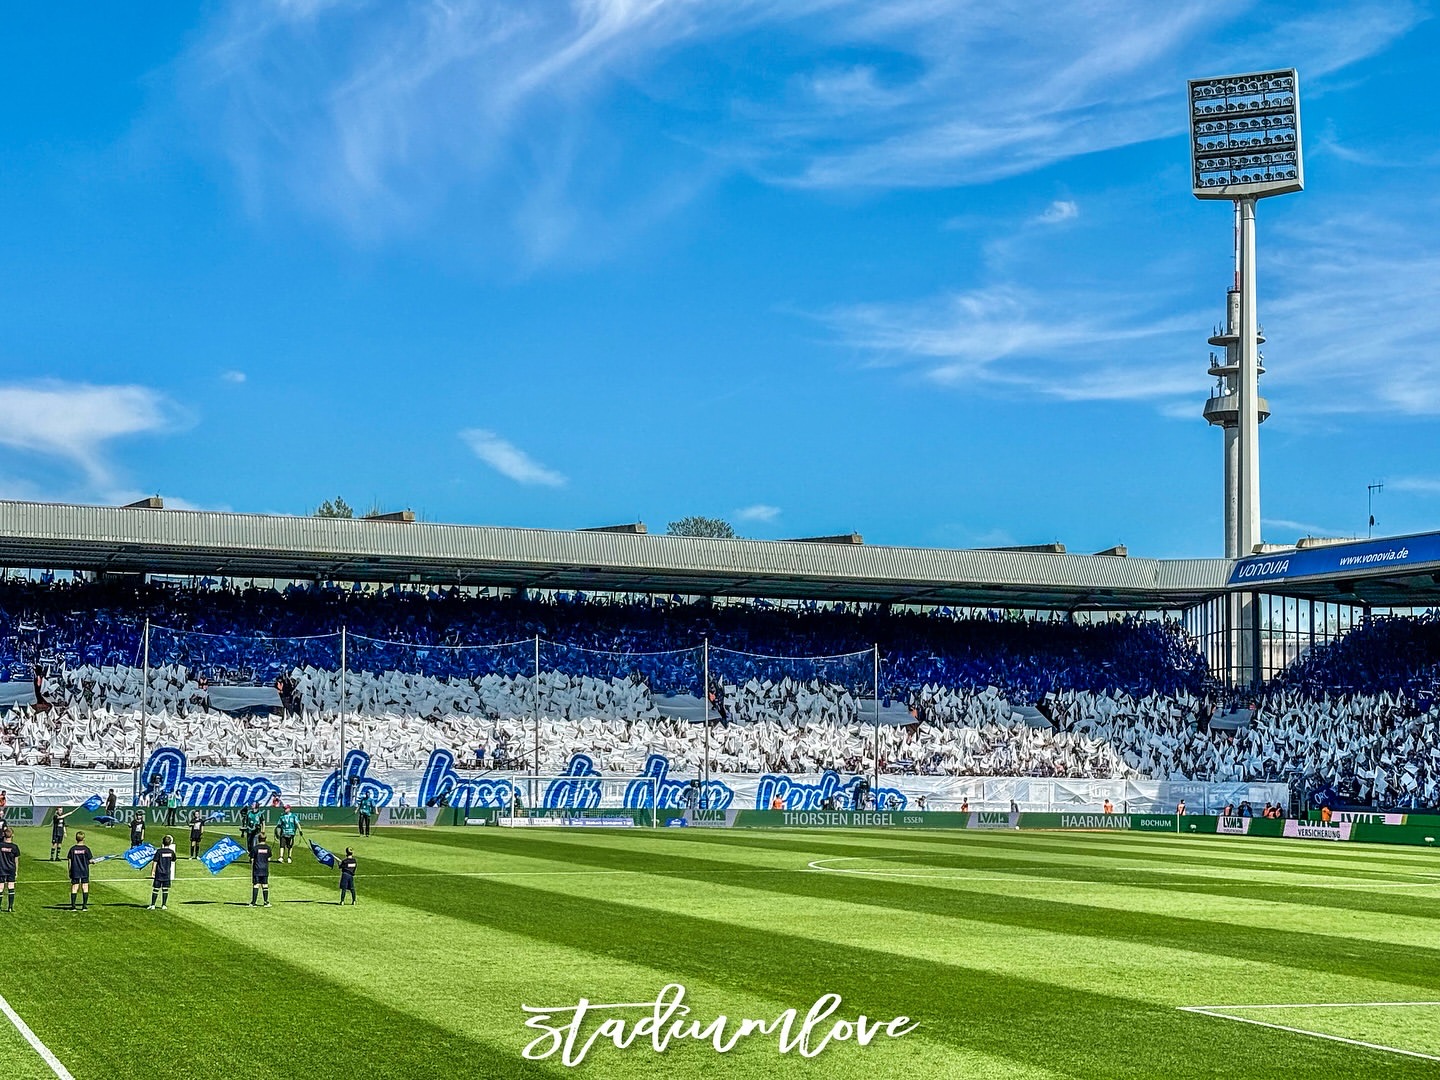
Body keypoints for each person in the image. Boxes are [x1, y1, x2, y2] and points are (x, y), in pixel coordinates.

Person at [149, 834, 177, 911]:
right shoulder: (171, 852)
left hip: (159, 873)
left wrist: (153, 871)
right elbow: (174, 859)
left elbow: (155, 862)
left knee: (156, 889)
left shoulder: (159, 851)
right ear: (170, 843)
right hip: (167, 873)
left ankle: (153, 905)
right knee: (165, 889)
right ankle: (164, 905)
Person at [67, 831, 93, 911]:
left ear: (76, 839)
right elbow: (90, 860)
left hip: (75, 870)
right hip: (84, 870)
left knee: (74, 887)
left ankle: (73, 906)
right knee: (85, 887)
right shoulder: (86, 849)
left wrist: (69, 870)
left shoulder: (72, 849)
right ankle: (84, 906)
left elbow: (69, 861)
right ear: (83, 839)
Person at [251, 831, 272, 907]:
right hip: (265, 869)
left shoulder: (255, 848)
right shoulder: (268, 848)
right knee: (265, 885)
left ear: (258, 839)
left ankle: (253, 902)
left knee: (256, 885)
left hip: (257, 869)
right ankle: (266, 902)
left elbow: (252, 859)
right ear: (265, 839)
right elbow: (269, 858)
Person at [0, 827, 18, 911]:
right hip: (11, 869)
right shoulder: (14, 847)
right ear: (12, 835)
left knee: (0, 887)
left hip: (1, 869)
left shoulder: (0, 845)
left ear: (3, 834)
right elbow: (16, 861)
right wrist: (16, 871)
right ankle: (10, 907)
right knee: (11, 886)